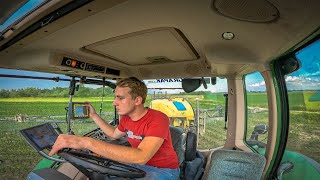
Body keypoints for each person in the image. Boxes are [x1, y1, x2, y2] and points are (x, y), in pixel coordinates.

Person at [49, 77, 180, 179]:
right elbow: (113, 134)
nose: (114, 103)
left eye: (120, 98)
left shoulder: (158, 118)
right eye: (114, 97)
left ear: (137, 100)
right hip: (137, 165)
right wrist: (94, 115)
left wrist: (85, 142)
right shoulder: (127, 118)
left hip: (163, 169)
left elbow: (141, 156)